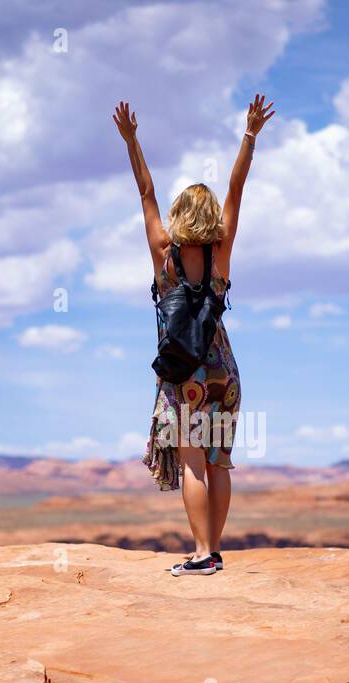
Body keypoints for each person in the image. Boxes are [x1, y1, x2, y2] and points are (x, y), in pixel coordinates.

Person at [113, 94, 275, 576]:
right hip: (224, 371)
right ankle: (214, 549)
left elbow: (145, 192)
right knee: (220, 461)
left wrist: (131, 141)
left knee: (192, 463)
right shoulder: (220, 253)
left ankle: (203, 553)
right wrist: (249, 136)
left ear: (181, 214)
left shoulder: (163, 254)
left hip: (185, 373)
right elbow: (237, 189)